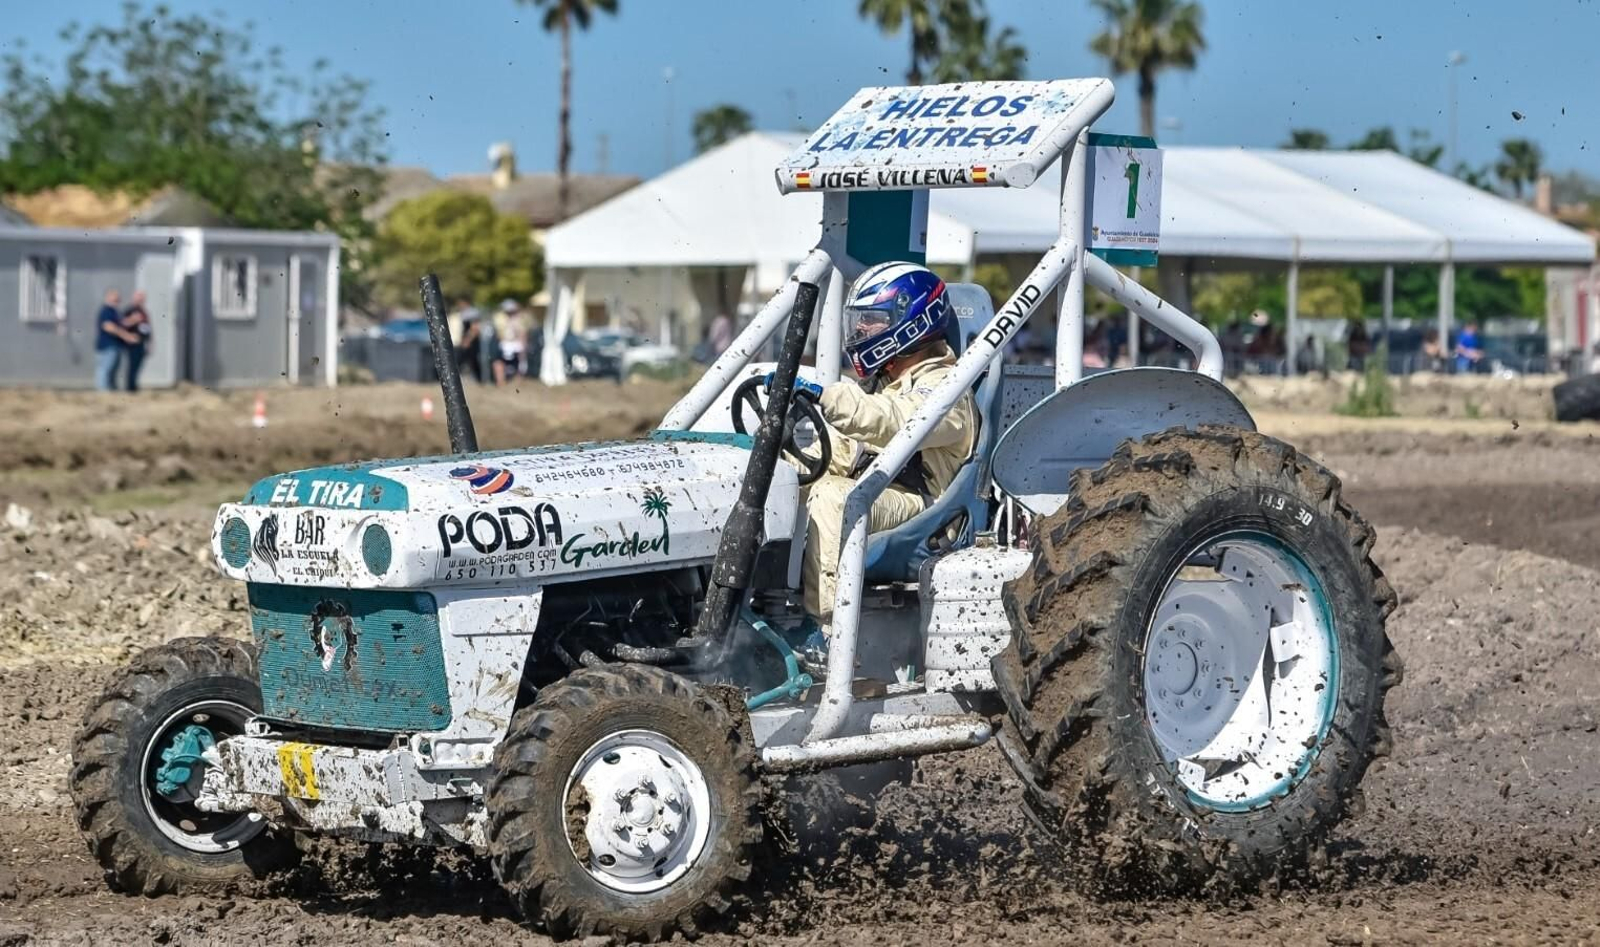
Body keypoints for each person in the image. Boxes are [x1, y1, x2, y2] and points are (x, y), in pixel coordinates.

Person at [786, 262, 976, 669]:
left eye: (872, 322)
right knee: (786, 487)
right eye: (861, 322)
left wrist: (828, 398)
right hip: (880, 495)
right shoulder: (880, 385)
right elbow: (837, 455)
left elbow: (893, 419)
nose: (861, 333)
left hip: (926, 510)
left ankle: (832, 639)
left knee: (835, 498)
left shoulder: (948, 387)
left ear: (913, 321)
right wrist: (785, 466)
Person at [93, 289, 136, 391]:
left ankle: (111, 390)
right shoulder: (106, 310)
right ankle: (103, 391)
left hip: (115, 346)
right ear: (108, 298)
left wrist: (133, 320)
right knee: (105, 369)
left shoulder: (114, 312)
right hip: (107, 346)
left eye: (118, 299)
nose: (117, 301)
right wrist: (126, 336)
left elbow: (121, 323)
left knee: (112, 370)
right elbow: (109, 326)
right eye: (115, 299)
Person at [491, 298, 528, 384]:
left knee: (520, 364)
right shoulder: (500, 318)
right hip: (504, 344)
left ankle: (518, 382)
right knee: (498, 362)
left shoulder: (520, 319)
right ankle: (501, 381)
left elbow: (522, 333)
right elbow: (500, 334)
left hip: (516, 345)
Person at [121, 290, 151, 391]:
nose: (141, 299)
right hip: (132, 344)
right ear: (134, 298)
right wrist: (133, 320)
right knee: (132, 365)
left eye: (143, 297)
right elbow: (122, 324)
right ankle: (130, 387)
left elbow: (148, 328)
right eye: (139, 297)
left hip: (142, 343)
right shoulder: (129, 310)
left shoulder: (143, 311)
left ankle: (134, 385)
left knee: (138, 365)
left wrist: (150, 343)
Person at [447, 297, 483, 382]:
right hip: (461, 342)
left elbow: (475, 328)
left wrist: (467, 340)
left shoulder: (472, 313)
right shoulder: (460, 314)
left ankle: (479, 380)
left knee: (472, 362)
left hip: (470, 343)